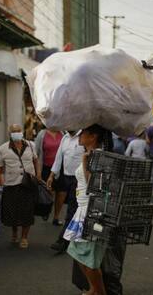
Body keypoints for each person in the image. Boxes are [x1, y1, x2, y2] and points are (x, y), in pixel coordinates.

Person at [64, 125, 113, 295]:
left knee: (88, 256)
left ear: (93, 137)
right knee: (77, 251)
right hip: (83, 211)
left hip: (93, 212)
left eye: (83, 133)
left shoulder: (97, 156)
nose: (79, 135)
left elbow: (94, 187)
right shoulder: (90, 154)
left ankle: (99, 292)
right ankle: (94, 289)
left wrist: (85, 162)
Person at [0, 124, 40, 248]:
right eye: (14, 131)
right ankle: (14, 232)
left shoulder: (31, 145)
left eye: (18, 130)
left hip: (28, 184)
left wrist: (39, 175)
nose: (16, 133)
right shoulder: (3, 148)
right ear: (9, 133)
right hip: (11, 184)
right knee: (13, 212)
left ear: (22, 131)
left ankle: (24, 237)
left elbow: (36, 161)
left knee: (27, 211)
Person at [48, 130, 85, 253]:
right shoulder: (65, 138)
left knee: (72, 210)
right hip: (66, 177)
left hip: (80, 180)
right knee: (73, 210)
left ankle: (63, 241)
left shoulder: (84, 137)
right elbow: (59, 157)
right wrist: (51, 175)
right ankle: (72, 239)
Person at [35, 128, 64, 225]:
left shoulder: (63, 133)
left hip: (61, 168)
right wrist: (37, 171)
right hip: (46, 167)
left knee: (61, 193)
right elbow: (36, 153)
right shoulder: (42, 134)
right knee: (49, 191)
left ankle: (56, 217)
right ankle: (46, 210)